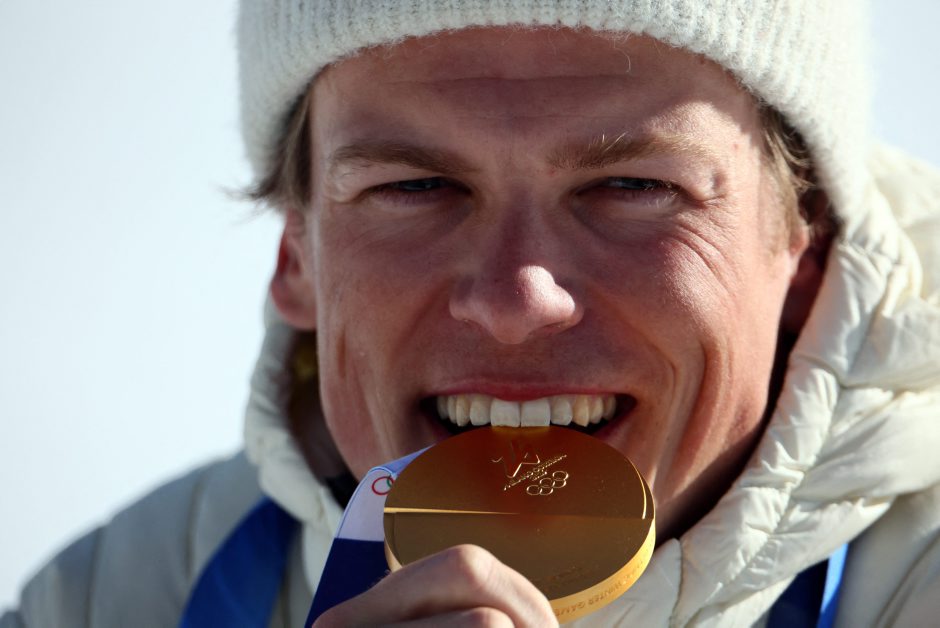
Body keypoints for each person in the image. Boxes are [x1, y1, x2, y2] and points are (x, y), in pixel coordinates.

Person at [4, 1, 940, 626]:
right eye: (414, 187)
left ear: (807, 249)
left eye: (632, 186)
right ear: (295, 255)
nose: (515, 303)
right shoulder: (108, 599)